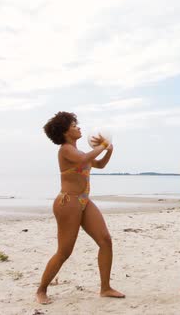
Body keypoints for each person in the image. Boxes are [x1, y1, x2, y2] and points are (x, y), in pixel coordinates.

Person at [36, 112, 124, 304]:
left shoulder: (80, 152)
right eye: (74, 124)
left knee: (105, 240)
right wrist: (102, 145)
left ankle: (105, 288)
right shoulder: (66, 150)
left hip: (84, 201)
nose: (78, 127)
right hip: (68, 202)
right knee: (64, 251)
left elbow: (98, 164)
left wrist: (109, 149)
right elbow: (84, 160)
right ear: (65, 131)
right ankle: (41, 290)